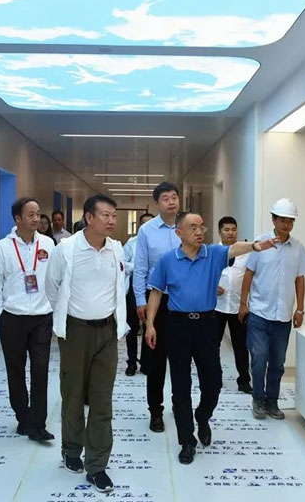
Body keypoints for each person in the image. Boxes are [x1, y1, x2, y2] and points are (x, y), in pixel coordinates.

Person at [146, 212, 277, 465]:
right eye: (192, 227)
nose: (199, 232)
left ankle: (203, 416)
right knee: (180, 386)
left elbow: (234, 248)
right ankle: (187, 440)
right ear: (179, 233)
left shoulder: (213, 254)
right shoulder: (167, 261)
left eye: (202, 227)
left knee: (214, 381)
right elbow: (156, 293)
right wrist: (151, 324)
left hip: (207, 324)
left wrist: (254, 246)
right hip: (177, 325)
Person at [45, 194, 129, 494]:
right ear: (89, 218)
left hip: (107, 332)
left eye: (114, 215)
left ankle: (97, 466)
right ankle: (71, 449)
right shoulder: (66, 249)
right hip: (75, 332)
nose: (111, 220)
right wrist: (66, 318)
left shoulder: (116, 249)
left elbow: (120, 285)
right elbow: (52, 287)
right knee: (73, 395)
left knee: (102, 401)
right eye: (106, 215)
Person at [0, 197, 56, 442]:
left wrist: (55, 308)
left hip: (41, 317)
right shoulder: (4, 247)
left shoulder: (48, 243)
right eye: (31, 215)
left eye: (38, 214)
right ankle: (22, 417)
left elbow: (56, 276)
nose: (36, 219)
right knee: (15, 371)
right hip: (13, 318)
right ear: (18, 218)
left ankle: (38, 424)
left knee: (40, 371)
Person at [239, 198, 305, 420]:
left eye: (290, 221)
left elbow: (300, 278)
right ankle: (258, 399)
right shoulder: (260, 244)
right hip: (260, 313)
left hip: (283, 316)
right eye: (282, 220)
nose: (286, 225)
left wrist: (300, 309)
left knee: (278, 363)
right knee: (259, 358)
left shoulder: (298, 248)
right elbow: (249, 273)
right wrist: (243, 303)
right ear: (273, 220)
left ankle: (272, 402)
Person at [133, 182, 182, 433]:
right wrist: (140, 301)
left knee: (181, 360)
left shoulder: (189, 225)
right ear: (157, 203)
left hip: (184, 302)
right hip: (157, 302)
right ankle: (155, 411)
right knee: (155, 361)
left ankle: (180, 405)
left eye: (174, 197)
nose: (171, 201)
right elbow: (140, 267)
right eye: (166, 198)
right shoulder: (147, 231)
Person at [214, 216, 253, 394]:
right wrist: (212, 287)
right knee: (212, 345)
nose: (230, 233)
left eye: (233, 229)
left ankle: (244, 380)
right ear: (220, 232)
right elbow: (203, 275)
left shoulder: (246, 252)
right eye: (226, 230)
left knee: (241, 346)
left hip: (239, 306)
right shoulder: (213, 252)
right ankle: (215, 377)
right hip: (216, 306)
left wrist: (245, 303)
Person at [122, 212, 155, 376]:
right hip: (135, 289)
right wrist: (137, 268)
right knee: (132, 328)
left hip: (153, 290)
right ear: (140, 226)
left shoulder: (158, 244)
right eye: (144, 224)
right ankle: (131, 362)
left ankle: (147, 362)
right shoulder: (132, 243)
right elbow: (122, 262)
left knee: (150, 325)